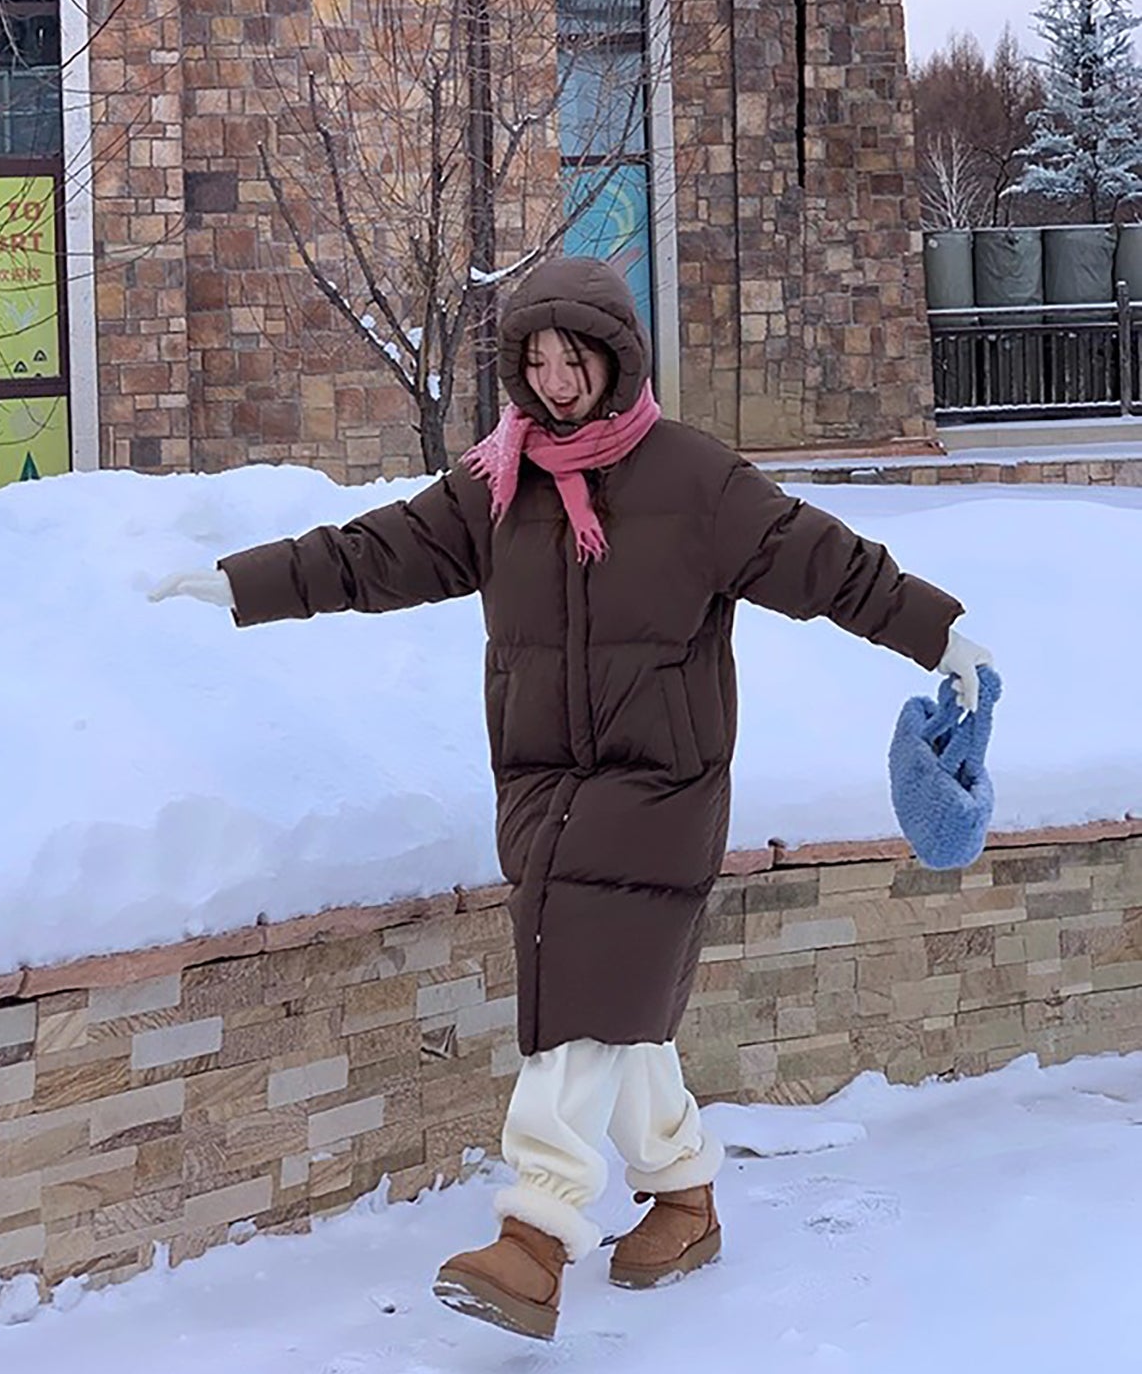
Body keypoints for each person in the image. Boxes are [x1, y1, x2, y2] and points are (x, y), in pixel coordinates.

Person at [150, 256, 993, 1342]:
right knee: (618, 1018)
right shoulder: (498, 485)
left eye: (572, 359)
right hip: (541, 787)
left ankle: (535, 1238)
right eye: (534, 361)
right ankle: (683, 1196)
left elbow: (823, 564)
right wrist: (238, 583)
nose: (553, 382)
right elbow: (375, 554)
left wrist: (940, 632)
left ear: (615, 358)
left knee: (576, 1021)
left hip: (662, 786)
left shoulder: (694, 481)